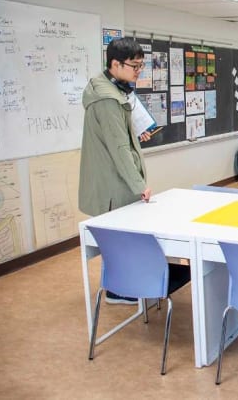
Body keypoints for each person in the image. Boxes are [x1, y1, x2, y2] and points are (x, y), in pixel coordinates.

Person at [78, 37, 152, 305]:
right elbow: (119, 148)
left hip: (113, 178)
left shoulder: (111, 88)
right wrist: (138, 185)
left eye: (141, 65)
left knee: (119, 239)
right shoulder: (108, 100)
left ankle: (121, 284)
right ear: (115, 64)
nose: (138, 71)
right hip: (113, 182)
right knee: (120, 238)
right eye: (134, 66)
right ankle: (119, 290)